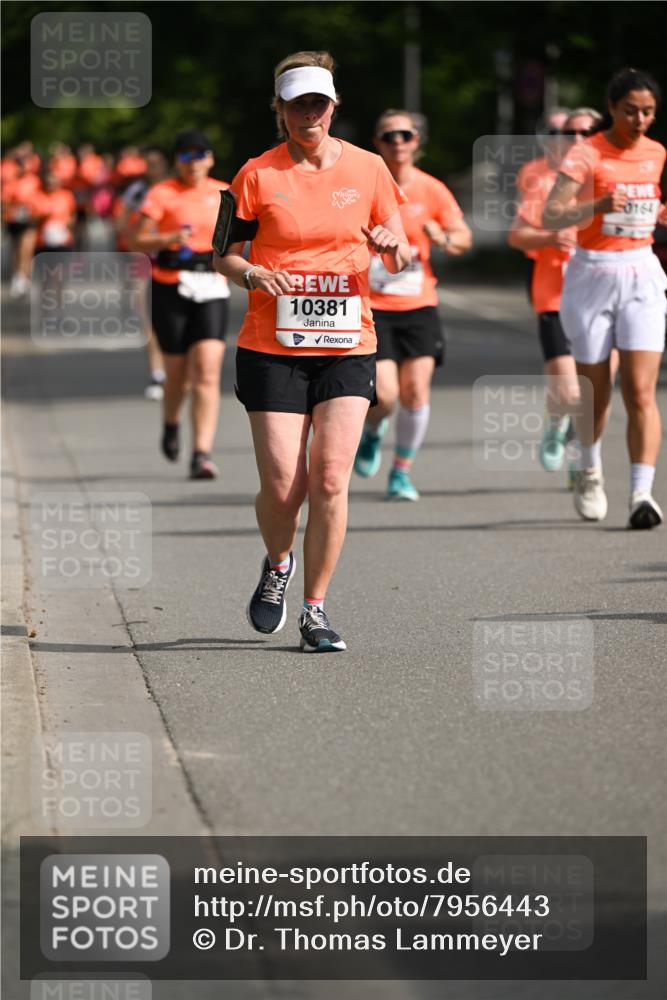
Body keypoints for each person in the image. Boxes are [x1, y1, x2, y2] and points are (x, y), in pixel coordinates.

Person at [214, 50, 410, 652]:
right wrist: (251, 276)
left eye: (318, 104)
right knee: (283, 489)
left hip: (348, 340)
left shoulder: (371, 168)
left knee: (329, 478)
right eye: (296, 104)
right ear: (280, 109)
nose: (308, 114)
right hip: (271, 344)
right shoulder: (255, 175)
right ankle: (278, 562)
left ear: (334, 106)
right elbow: (223, 254)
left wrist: (389, 245)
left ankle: (316, 610)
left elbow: (402, 250)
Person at [544, 68, 667, 528]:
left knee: (640, 390)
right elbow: (552, 213)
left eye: (649, 111)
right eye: (631, 110)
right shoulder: (586, 152)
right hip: (593, 273)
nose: (640, 119)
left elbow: (650, 204)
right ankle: (590, 470)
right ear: (612, 108)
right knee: (595, 394)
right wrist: (596, 206)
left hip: (642, 274)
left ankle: (641, 493)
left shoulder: (657, 152)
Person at [354, 109, 472, 499]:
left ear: (417, 141)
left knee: (416, 392)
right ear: (377, 143)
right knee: (385, 395)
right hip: (373, 306)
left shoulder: (432, 189)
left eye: (406, 135)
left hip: (419, 304)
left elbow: (462, 237)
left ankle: (401, 472)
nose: (398, 142)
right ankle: (373, 430)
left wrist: (445, 238)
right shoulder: (361, 186)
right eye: (389, 136)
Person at [509, 107, 605, 482]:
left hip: (601, 295)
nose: (578, 140)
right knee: (568, 390)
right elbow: (517, 235)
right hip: (555, 295)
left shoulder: (610, 177)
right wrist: (552, 236)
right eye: (570, 133)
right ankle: (557, 423)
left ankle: (580, 456)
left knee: (595, 391)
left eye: (588, 132)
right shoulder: (544, 178)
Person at [134, 130, 230, 479]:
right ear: (177, 161)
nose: (194, 162)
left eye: (200, 154)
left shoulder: (224, 192)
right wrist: (168, 238)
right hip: (169, 287)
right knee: (177, 375)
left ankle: (201, 453)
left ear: (211, 158)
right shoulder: (162, 193)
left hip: (211, 286)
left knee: (206, 371)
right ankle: (171, 423)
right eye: (186, 156)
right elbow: (136, 237)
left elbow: (242, 236)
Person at [116, 146, 170, 400]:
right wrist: (134, 241)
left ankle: (177, 369)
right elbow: (120, 220)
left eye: (156, 162)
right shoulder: (137, 191)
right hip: (144, 259)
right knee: (146, 314)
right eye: (148, 163)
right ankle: (157, 373)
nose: (152, 168)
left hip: (173, 259)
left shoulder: (174, 188)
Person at [2, 152, 41, 298]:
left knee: (27, 249)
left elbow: (38, 198)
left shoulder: (35, 181)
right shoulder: (11, 182)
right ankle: (17, 277)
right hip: (14, 219)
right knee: (15, 250)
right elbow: (6, 200)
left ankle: (25, 277)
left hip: (29, 220)